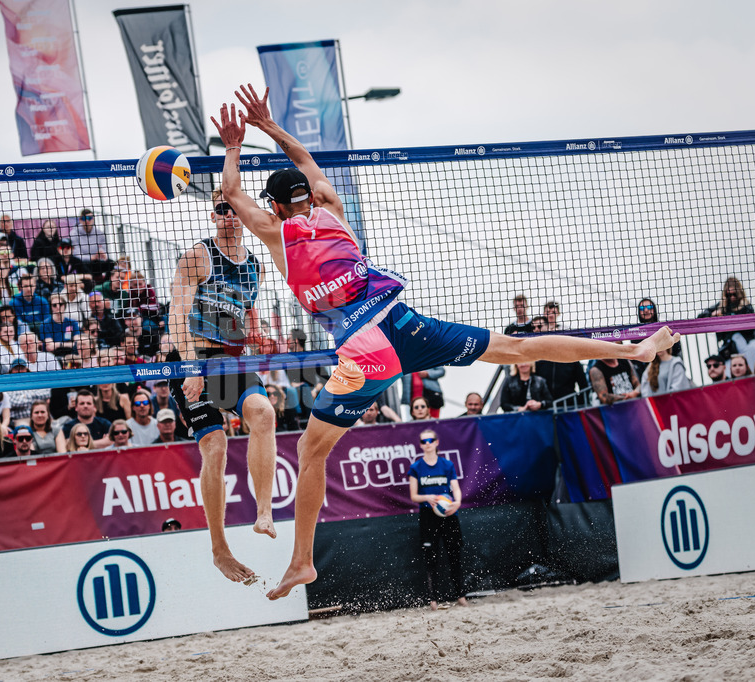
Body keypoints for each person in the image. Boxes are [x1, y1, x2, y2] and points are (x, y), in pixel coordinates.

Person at [213, 84, 678, 599]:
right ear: (307, 193)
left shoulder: (276, 235)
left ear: (274, 206)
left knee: (309, 449)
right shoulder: (331, 206)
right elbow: (305, 161)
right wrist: (269, 127)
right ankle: (632, 350)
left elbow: (232, 194)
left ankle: (302, 561)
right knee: (519, 347)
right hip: (408, 328)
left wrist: (233, 144)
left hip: (366, 354)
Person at [167, 185, 278, 582]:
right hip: (193, 355)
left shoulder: (255, 265)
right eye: (221, 209)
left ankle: (263, 512)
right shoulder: (198, 255)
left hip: (230, 360)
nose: (229, 215)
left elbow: (245, 316)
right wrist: (192, 367)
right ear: (212, 216)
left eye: (235, 209)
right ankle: (219, 549)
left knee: (263, 415)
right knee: (215, 445)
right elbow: (176, 316)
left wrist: (260, 334)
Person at [408, 428, 469, 610]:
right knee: (431, 558)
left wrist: (457, 502)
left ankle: (460, 595)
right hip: (428, 515)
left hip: (449, 514)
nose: (427, 444)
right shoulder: (416, 467)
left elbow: (455, 488)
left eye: (430, 440)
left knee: (454, 555)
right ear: (420, 445)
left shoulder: (447, 465)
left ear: (436, 442)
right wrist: (427, 497)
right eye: (424, 441)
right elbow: (413, 496)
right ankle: (433, 599)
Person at [697, 277, 755, 370]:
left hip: (746, 343)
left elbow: (752, 327)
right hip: (729, 348)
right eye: (729, 294)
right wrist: (713, 314)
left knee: (754, 364)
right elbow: (700, 317)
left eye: (734, 294)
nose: (732, 297)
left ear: (739, 293)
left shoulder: (747, 307)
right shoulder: (721, 306)